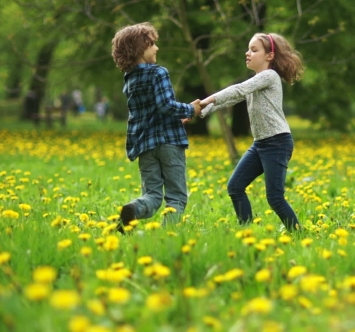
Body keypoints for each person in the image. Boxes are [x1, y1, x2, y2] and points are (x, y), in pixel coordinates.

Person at [195, 32, 304, 232]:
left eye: (254, 50)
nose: (248, 53)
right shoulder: (256, 81)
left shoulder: (269, 76)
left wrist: (206, 100)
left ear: (269, 56)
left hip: (277, 142)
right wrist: (197, 112)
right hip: (261, 143)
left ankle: (299, 234)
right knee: (235, 187)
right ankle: (247, 233)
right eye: (248, 49)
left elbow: (237, 90)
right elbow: (232, 99)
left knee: (275, 198)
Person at [111, 22, 198, 233]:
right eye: (152, 44)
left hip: (146, 146)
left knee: (152, 195)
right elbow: (165, 105)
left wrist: (176, 120)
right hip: (169, 143)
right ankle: (167, 236)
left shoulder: (130, 79)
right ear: (141, 48)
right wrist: (190, 109)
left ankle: (133, 208)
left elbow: (148, 111)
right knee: (176, 196)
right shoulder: (158, 72)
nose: (156, 48)